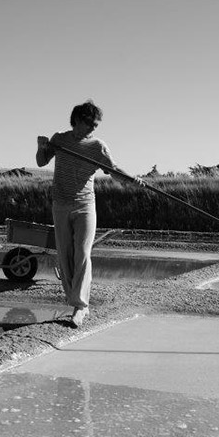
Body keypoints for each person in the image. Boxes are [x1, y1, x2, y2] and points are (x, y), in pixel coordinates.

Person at [35, 100, 141, 328]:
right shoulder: (60, 139)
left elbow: (113, 170)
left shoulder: (97, 146)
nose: (94, 128)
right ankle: (77, 301)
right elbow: (42, 161)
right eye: (90, 123)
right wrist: (41, 145)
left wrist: (132, 180)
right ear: (77, 120)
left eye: (96, 124)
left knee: (82, 254)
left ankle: (80, 307)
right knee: (65, 256)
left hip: (85, 206)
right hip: (60, 205)